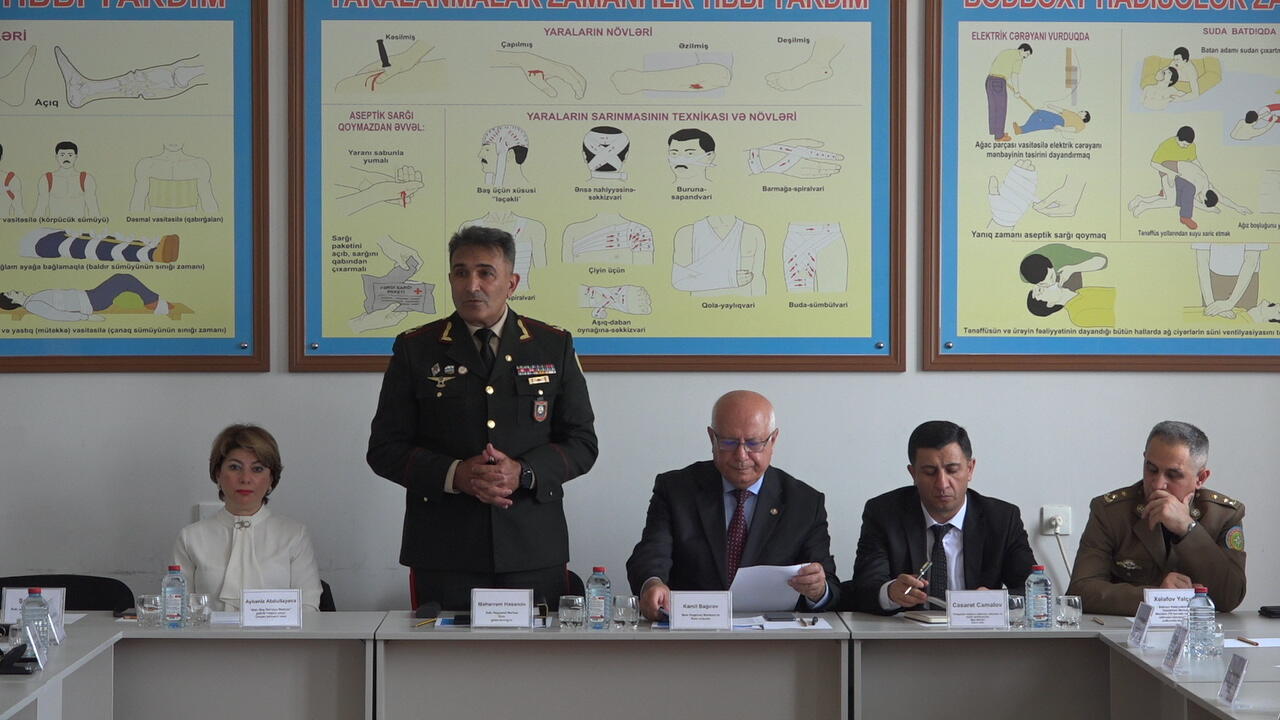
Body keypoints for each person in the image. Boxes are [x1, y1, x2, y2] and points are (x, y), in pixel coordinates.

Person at [368, 225, 598, 610]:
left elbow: (582, 444)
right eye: (461, 272)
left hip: (532, 546)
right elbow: (384, 449)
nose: (472, 285)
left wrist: (523, 472)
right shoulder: (416, 348)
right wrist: (456, 474)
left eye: (485, 273)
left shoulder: (552, 345)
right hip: (444, 549)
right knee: (441, 651)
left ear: (511, 283)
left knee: (538, 650)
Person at [626, 390, 839, 620]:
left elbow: (831, 586)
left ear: (773, 440)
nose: (741, 455)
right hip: (691, 629)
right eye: (729, 442)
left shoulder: (805, 503)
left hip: (773, 636)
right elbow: (651, 554)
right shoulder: (676, 490)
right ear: (712, 438)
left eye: (753, 443)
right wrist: (652, 583)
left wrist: (817, 590)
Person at [844, 421, 1035, 614]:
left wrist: (996, 601)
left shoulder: (1002, 519)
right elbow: (864, 588)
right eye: (930, 472)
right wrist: (891, 593)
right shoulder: (884, 514)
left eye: (952, 470)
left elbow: (1034, 590)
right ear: (913, 473)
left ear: (970, 469)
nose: (942, 483)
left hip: (977, 630)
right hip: (905, 630)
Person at [1068, 421, 1246, 615]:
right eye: (1151, 469)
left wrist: (1188, 528)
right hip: (1126, 631)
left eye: (1173, 475)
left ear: (1200, 478)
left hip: (1197, 631)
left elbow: (1230, 597)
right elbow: (1080, 592)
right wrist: (1156, 597)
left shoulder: (1223, 515)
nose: (1158, 484)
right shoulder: (1111, 512)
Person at [173, 425, 322, 612]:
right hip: (208, 632)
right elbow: (178, 610)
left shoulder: (294, 535)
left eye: (257, 469)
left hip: (280, 633)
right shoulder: (190, 538)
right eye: (234, 467)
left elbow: (308, 607)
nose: (245, 478)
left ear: (271, 479)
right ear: (218, 474)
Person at [0, 273, 186, 322]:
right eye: (10, 293)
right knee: (123, 279)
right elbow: (57, 315)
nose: (13, 290)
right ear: (13, 301)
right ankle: (154, 304)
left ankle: (153, 302)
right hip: (92, 302)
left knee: (123, 280)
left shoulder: (33, 299)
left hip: (89, 296)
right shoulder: (33, 304)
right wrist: (87, 318)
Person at [985, 43, 1032, 142]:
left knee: (993, 107)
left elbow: (996, 64)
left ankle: (995, 131)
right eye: (1026, 54)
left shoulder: (1007, 52)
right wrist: (1017, 91)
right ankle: (999, 136)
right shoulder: (1018, 59)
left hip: (989, 80)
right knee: (1001, 109)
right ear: (1022, 50)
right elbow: (1014, 76)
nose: (1026, 57)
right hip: (999, 82)